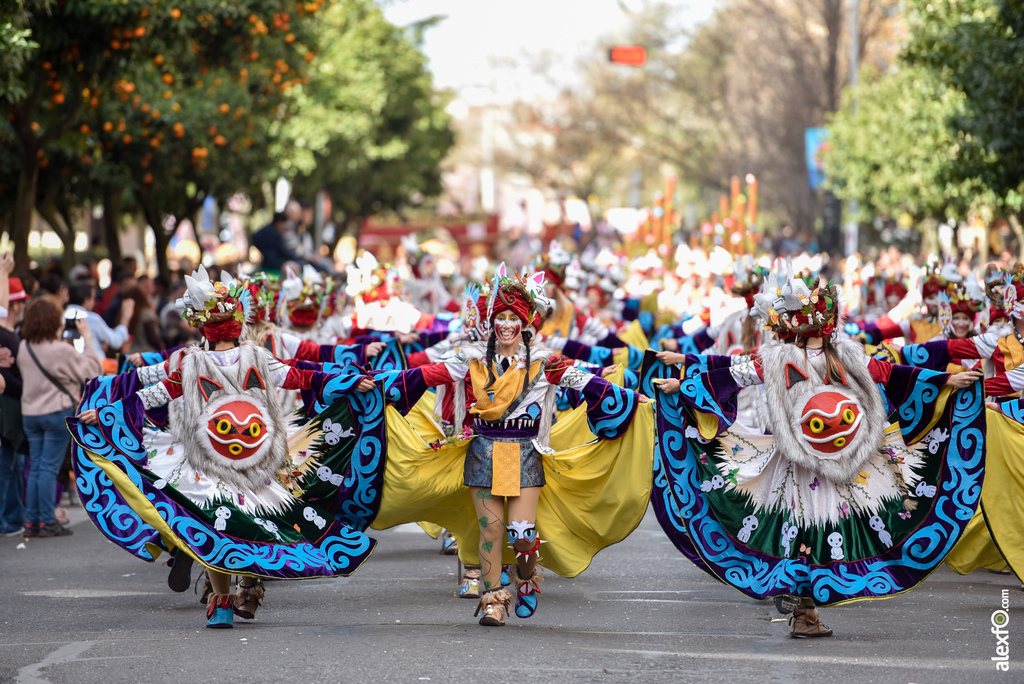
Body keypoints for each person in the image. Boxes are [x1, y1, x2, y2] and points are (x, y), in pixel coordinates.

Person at [650, 267, 985, 638]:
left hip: (840, 458)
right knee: (803, 530)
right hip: (798, 461)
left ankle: (804, 608)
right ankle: (803, 610)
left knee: (822, 531)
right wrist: (682, 384)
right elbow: (736, 372)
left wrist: (946, 382)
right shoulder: (783, 358)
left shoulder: (844, 356)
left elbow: (889, 372)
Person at [73, 267, 387, 629]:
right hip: (255, 456)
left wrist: (108, 412)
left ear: (204, 328)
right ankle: (249, 585)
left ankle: (221, 603)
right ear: (239, 323)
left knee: (214, 527)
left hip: (209, 457)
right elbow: (300, 376)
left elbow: (154, 395)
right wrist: (348, 383)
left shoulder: (192, 363)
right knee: (257, 520)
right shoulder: (258, 357)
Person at [17, 295, 104, 537]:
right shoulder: (61, 350)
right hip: (56, 411)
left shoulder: (24, 347)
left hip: (30, 413)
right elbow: (92, 371)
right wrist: (87, 338)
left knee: (36, 467)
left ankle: (32, 521)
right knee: (48, 468)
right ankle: (47, 520)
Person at [65, 281, 134, 356]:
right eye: (93, 298)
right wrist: (125, 319)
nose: (94, 302)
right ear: (86, 301)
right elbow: (116, 341)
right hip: (90, 363)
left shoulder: (62, 316)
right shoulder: (91, 318)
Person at [122, 285, 164, 354]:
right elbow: (153, 338)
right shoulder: (146, 313)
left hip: (132, 353)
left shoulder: (127, 315)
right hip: (147, 354)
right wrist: (162, 350)